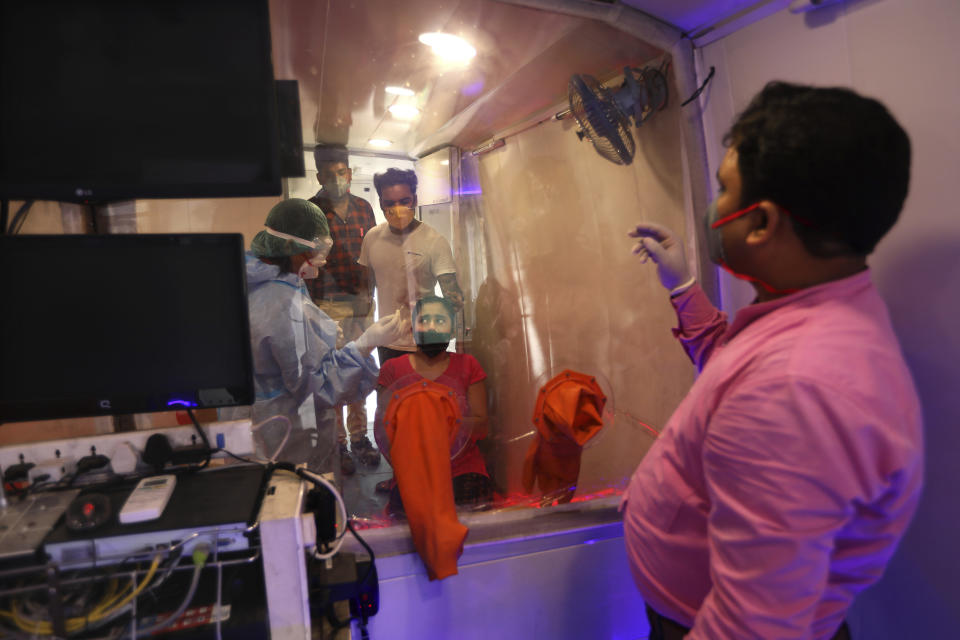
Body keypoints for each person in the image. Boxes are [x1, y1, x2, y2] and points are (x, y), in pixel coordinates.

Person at [621, 82, 923, 640]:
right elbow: (732, 374)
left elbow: (751, 627)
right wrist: (683, 285)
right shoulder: (814, 310)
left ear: (761, 224)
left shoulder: (797, 386)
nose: (714, 207)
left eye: (724, 189)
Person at [241, 198, 405, 473]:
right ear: (291, 247)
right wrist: (364, 345)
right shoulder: (284, 303)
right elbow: (316, 386)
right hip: (286, 440)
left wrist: (319, 334)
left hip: (259, 432)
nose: (323, 258)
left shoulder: (260, 282)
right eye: (318, 248)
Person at [374, 295, 493, 514]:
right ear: (412, 327)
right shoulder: (392, 369)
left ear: (451, 328)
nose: (431, 326)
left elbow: (482, 427)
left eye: (440, 320)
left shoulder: (468, 365)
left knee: (470, 518)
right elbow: (383, 433)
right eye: (424, 320)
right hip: (411, 469)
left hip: (463, 468)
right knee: (410, 518)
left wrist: (436, 420)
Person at [307, 144, 380, 475]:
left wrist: (371, 292)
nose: (337, 179)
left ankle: (360, 437)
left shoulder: (365, 208)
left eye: (343, 173)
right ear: (319, 176)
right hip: (328, 307)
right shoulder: (312, 212)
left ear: (350, 174)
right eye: (330, 174)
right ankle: (337, 442)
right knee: (335, 374)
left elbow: (374, 255)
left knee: (360, 370)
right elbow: (307, 262)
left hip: (362, 304)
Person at [358, 168, 464, 366]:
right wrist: (365, 333)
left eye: (404, 201)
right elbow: (365, 291)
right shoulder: (372, 238)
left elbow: (455, 300)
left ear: (414, 200)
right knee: (393, 396)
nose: (397, 209)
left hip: (424, 343)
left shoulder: (434, 241)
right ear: (381, 203)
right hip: (386, 341)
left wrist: (434, 324)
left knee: (423, 396)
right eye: (390, 203)